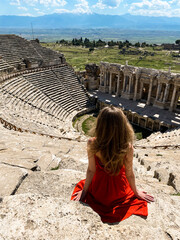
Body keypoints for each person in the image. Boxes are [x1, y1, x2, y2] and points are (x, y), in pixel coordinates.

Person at [71, 106, 154, 223]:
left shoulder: (92, 143)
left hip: (98, 192)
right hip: (118, 193)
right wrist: (136, 192)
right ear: (122, 126)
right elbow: (129, 173)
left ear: (100, 124)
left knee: (86, 184)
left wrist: (85, 192)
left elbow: (91, 170)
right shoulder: (127, 147)